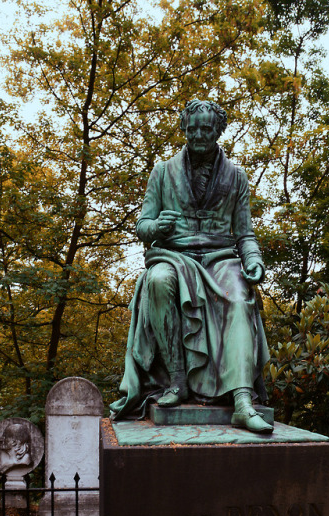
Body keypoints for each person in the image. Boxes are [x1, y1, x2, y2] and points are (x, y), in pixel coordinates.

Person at [110, 100, 272, 434]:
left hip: (220, 258)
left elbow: (245, 233)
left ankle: (242, 399)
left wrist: (253, 259)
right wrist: (157, 228)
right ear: (184, 128)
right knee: (156, 281)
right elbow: (143, 226)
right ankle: (177, 381)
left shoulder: (236, 175)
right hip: (174, 256)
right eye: (192, 128)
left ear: (218, 130)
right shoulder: (162, 171)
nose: (198, 134)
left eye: (206, 128)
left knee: (240, 298)